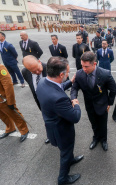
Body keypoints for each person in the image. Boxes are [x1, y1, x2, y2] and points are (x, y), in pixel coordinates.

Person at [36, 57, 83, 185]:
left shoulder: (42, 82)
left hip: (51, 124)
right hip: (61, 130)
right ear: (61, 74)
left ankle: (71, 159)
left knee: (68, 150)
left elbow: (58, 86)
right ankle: (63, 179)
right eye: (67, 73)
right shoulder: (58, 99)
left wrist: (70, 82)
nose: (68, 75)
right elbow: (75, 117)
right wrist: (76, 103)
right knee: (65, 152)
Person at [70, 51, 116, 151]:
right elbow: (74, 88)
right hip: (89, 105)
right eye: (82, 66)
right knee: (94, 123)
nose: (84, 69)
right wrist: (73, 97)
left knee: (103, 124)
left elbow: (113, 89)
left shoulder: (105, 73)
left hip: (102, 104)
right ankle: (96, 138)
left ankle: (104, 140)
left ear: (94, 64)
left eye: (86, 66)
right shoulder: (79, 74)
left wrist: (109, 103)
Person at [21, 55, 52, 144]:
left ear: (39, 62)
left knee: (60, 118)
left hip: (53, 101)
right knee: (46, 119)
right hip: (40, 101)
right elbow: (32, 87)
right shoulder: (25, 72)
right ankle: (50, 135)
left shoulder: (50, 67)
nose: (37, 72)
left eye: (38, 69)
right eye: (33, 71)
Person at [0, 64, 29, 142]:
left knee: (14, 114)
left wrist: (10, 101)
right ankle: (10, 128)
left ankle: (24, 130)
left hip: (3, 99)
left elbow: (8, 85)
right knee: (3, 116)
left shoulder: (0, 68)